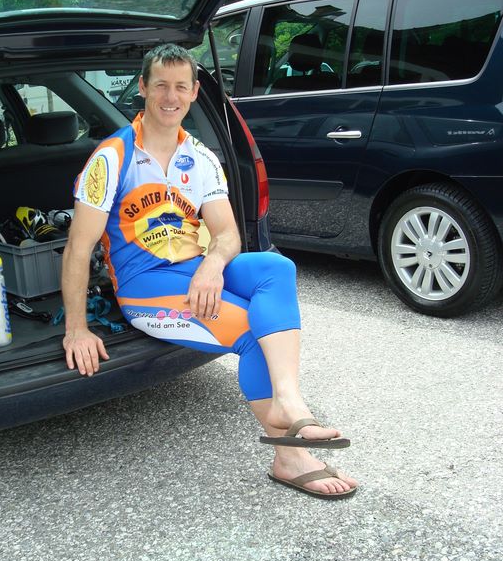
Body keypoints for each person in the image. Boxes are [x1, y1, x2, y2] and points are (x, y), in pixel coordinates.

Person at [62, 44, 358, 499]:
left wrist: (212, 267)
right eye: (161, 85)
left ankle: (289, 400)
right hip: (145, 287)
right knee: (252, 332)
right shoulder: (112, 157)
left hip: (195, 268)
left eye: (181, 87)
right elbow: (77, 248)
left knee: (276, 267)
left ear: (195, 92)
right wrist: (76, 329)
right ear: (142, 88)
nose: (170, 97)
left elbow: (227, 234)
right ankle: (290, 456)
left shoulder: (198, 156)